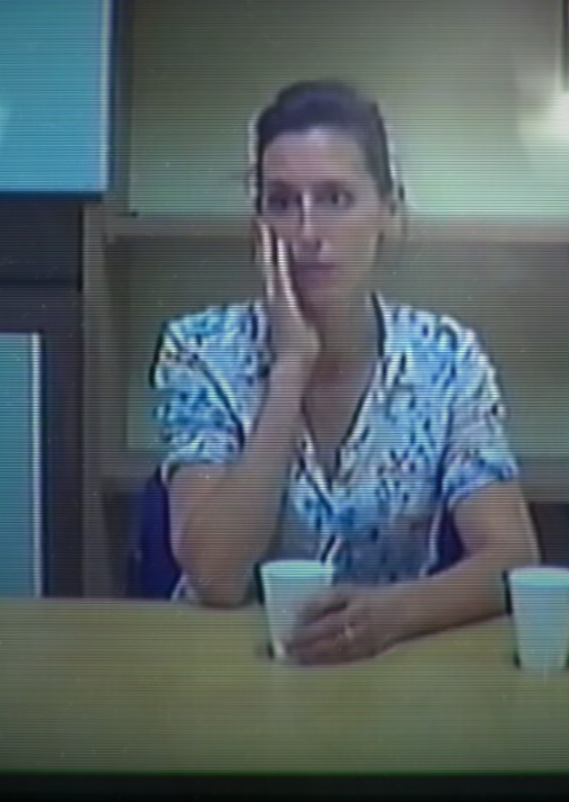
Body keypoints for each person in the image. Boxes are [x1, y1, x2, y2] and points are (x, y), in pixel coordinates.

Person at [150, 80, 540, 665]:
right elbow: (216, 578)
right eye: (283, 202)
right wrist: (290, 369)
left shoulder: (446, 357)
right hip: (225, 667)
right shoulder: (200, 350)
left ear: (389, 212)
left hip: (387, 666)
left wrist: (392, 615)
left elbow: (511, 556)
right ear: (259, 223)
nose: (307, 233)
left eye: (335, 199)